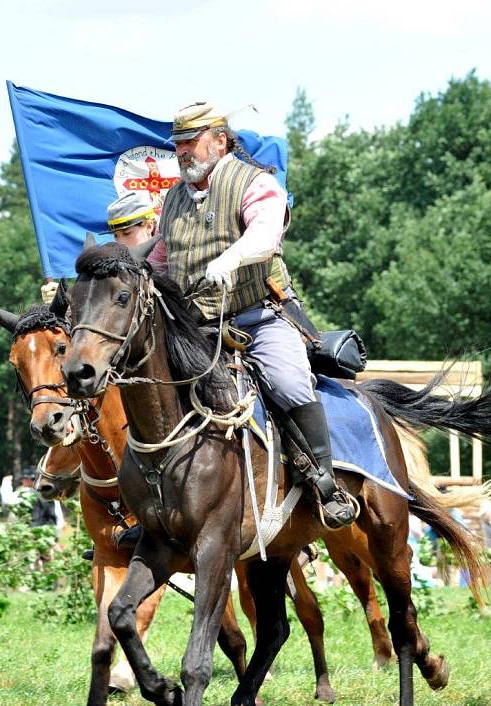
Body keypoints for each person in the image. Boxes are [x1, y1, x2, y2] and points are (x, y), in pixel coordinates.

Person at [146, 101, 355, 529]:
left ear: (219, 140)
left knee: (290, 382)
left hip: (254, 319)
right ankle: (148, 504)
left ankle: (325, 484)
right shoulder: (172, 200)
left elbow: (265, 234)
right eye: (179, 144)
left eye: (191, 141)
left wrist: (232, 259)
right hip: (194, 330)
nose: (183, 151)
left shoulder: (254, 182)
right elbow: (161, 260)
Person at [39, 192, 157, 304]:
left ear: (149, 226)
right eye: (116, 235)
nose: (120, 242)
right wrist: (62, 300)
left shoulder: (168, 254)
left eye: (127, 233)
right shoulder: (113, 269)